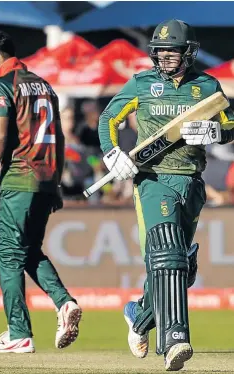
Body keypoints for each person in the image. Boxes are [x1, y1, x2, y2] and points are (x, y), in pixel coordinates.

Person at [98, 19, 234, 371]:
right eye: (160, 51)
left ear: (189, 52)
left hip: (191, 181)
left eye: (173, 50)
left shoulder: (205, 85)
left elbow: (231, 123)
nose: (166, 56)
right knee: (169, 255)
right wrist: (112, 153)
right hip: (153, 179)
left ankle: (139, 315)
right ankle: (175, 339)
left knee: (179, 267)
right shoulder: (141, 84)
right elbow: (108, 119)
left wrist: (215, 131)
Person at [0, 28, 82, 353]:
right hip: (45, 179)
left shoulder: (2, 85)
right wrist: (55, 183)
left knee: (8, 254)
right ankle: (64, 303)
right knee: (27, 250)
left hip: (19, 179)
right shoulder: (44, 84)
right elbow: (60, 137)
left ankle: (19, 333)